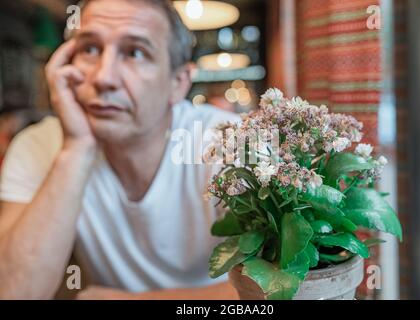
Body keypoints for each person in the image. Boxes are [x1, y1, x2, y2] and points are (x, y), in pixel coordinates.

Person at [0, 0, 240, 299]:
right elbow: (14, 292)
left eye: (135, 52)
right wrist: (77, 148)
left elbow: (277, 291)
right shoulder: (38, 145)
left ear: (178, 83)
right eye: (89, 49)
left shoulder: (230, 142)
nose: (103, 78)